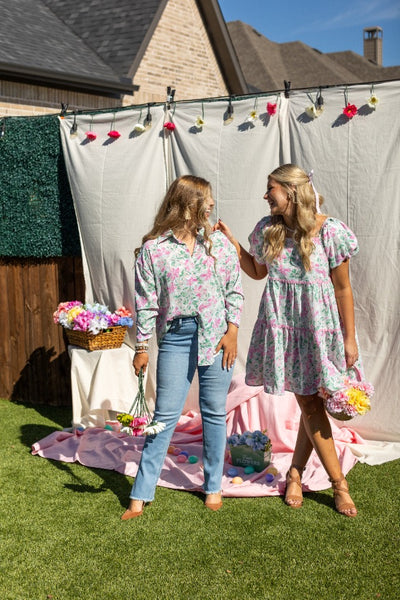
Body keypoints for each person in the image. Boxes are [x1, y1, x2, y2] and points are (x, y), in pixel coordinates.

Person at [216, 163, 362, 517]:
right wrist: (233, 244)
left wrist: (350, 338)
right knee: (310, 404)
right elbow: (257, 271)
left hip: (318, 329)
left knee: (312, 404)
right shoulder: (268, 230)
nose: (265, 196)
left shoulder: (331, 232)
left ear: (291, 191)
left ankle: (296, 473)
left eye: (271, 189)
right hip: (283, 329)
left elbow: (343, 288)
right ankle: (339, 485)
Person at [121, 175, 244, 520]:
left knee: (214, 412)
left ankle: (213, 485)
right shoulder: (154, 250)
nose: (212, 204)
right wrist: (141, 347)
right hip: (176, 336)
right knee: (165, 416)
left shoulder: (218, 245)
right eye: (206, 198)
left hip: (218, 336)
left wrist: (233, 331)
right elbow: (146, 303)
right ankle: (141, 492)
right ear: (188, 204)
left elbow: (234, 290)